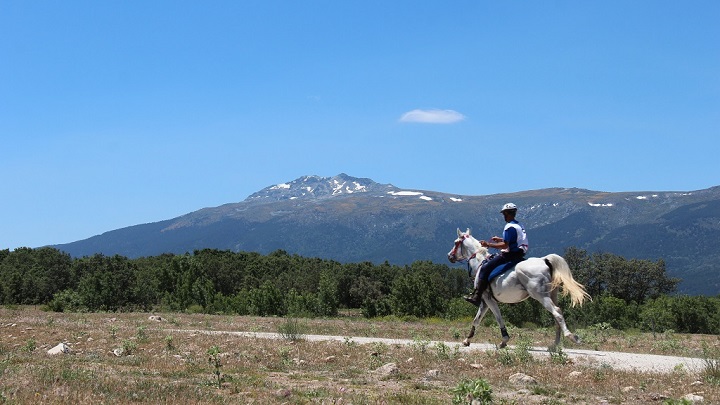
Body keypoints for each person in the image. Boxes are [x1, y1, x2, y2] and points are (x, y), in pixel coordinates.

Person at [465, 203, 529, 305]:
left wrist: (488, 244)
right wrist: (500, 239)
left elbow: (504, 245)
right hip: (520, 253)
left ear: (508, 213)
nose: (504, 216)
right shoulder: (519, 225)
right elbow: (514, 240)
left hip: (511, 254)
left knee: (485, 268)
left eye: (504, 214)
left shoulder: (509, 227)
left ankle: (477, 297)